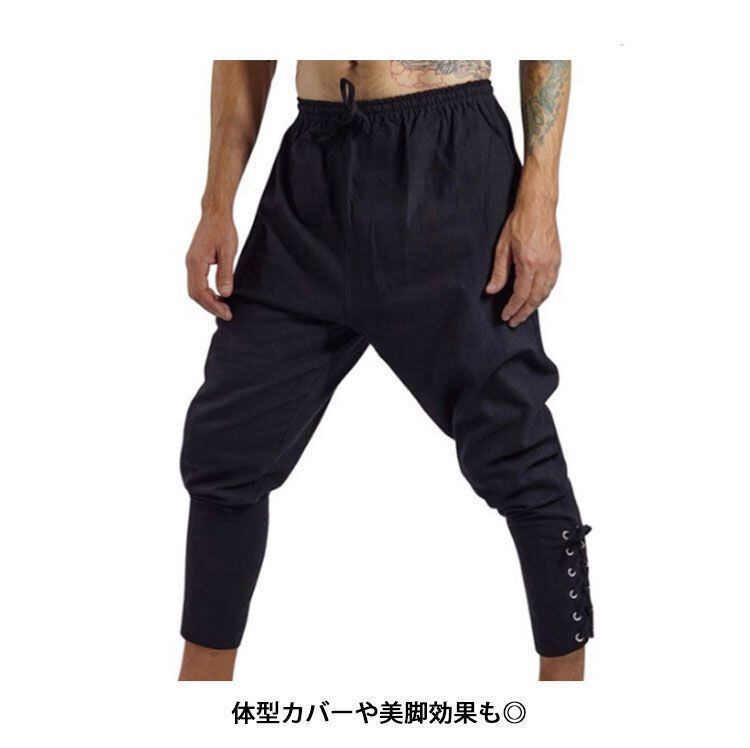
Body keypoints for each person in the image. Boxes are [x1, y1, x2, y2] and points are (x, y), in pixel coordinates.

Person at [178, 60, 592, 682]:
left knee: (515, 445)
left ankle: (569, 700)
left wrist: (541, 196)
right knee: (226, 449)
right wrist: (217, 201)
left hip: (446, 161)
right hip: (312, 172)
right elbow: (245, 51)